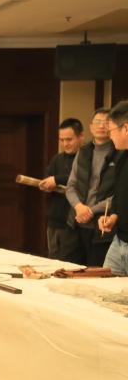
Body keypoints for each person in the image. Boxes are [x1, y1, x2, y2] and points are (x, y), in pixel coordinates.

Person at [66, 108, 119, 266]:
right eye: (97, 122)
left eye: (106, 122)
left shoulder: (120, 153)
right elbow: (71, 186)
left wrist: (91, 210)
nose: (101, 126)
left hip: (102, 224)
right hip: (77, 222)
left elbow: (120, 194)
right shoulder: (83, 151)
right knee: (70, 269)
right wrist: (79, 207)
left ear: (112, 126)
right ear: (90, 127)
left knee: (96, 270)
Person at [38, 118, 85, 262]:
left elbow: (79, 178)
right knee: (53, 260)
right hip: (54, 219)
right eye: (62, 140)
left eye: (69, 139)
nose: (65, 144)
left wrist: (57, 179)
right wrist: (46, 185)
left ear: (81, 137)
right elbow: (47, 178)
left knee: (69, 263)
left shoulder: (86, 158)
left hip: (74, 221)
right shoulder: (57, 159)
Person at [97, 101, 128, 274]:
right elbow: (120, 195)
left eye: (111, 131)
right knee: (104, 288)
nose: (110, 136)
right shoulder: (122, 157)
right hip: (119, 241)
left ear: (126, 128)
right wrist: (114, 216)